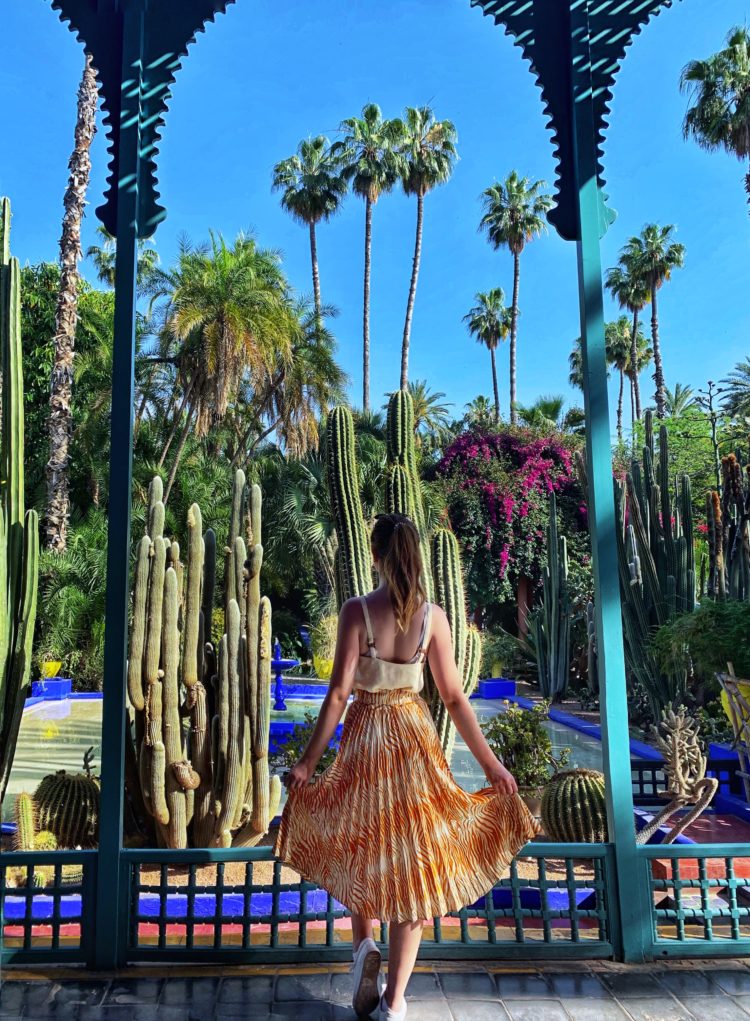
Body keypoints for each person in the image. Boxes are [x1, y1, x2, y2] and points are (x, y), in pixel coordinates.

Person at [274, 513, 539, 1020]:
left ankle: (363, 948)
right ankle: (394, 1004)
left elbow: (337, 695)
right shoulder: (433, 618)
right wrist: (493, 767)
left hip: (366, 739)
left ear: (374, 556)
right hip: (413, 740)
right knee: (414, 866)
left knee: (361, 846)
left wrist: (308, 763)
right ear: (417, 556)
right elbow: (456, 699)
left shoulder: (357, 611)